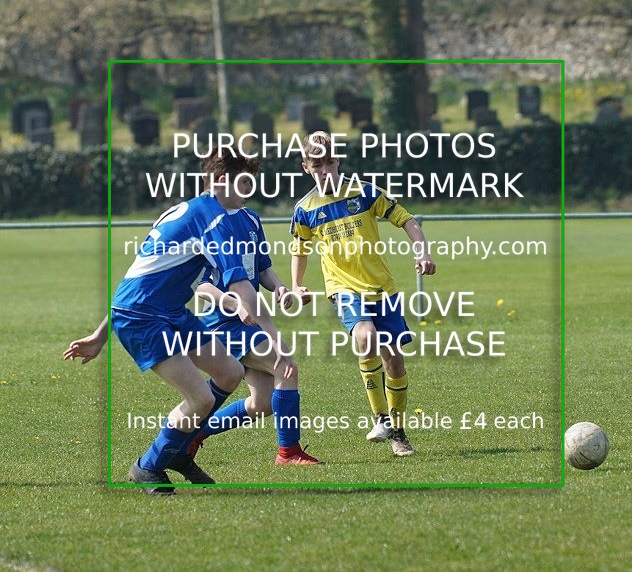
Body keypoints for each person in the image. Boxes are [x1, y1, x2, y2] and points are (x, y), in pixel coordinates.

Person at [64, 150, 318, 495]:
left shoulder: (187, 211)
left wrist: (98, 334)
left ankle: (180, 450)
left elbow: (138, 274)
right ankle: (148, 465)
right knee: (199, 398)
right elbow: (240, 286)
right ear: (216, 182)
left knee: (229, 373)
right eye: (241, 182)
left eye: (250, 181)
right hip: (143, 318)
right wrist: (275, 341)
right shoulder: (214, 219)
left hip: (171, 312)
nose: (248, 189)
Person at [290, 131, 436, 457]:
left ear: (337, 161)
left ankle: (398, 432)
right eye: (317, 165)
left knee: (393, 362)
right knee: (365, 336)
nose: (325, 170)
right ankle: (380, 417)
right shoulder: (305, 209)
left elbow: (407, 220)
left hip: (381, 288)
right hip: (342, 288)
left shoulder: (366, 193)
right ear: (306, 167)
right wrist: (297, 283)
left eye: (329, 163)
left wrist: (422, 253)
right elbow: (300, 249)